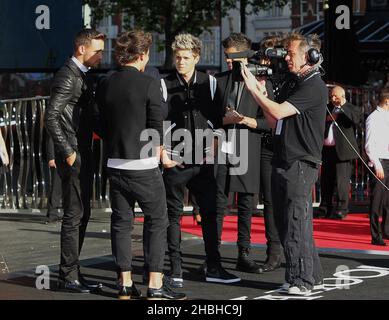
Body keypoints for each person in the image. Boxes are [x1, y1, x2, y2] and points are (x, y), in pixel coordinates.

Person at [96, 30, 186, 300]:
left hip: (114, 163)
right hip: (143, 165)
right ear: (143, 54)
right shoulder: (148, 83)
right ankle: (155, 285)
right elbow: (156, 124)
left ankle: (124, 283)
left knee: (121, 222)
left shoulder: (105, 82)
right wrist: (159, 155)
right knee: (157, 220)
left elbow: (98, 120)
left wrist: (114, 140)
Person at [241, 32, 326, 295]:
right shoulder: (296, 82)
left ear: (309, 57)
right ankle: (313, 275)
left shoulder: (312, 85)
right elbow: (275, 119)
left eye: (291, 54)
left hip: (300, 161)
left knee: (295, 220)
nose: (286, 58)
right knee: (287, 220)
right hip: (285, 156)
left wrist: (255, 92)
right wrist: (261, 91)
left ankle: (301, 280)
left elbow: (277, 111)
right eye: (286, 53)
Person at [161, 33, 241, 287]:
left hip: (204, 160)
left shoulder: (211, 82)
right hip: (175, 162)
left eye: (185, 57)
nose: (180, 62)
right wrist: (164, 152)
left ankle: (214, 266)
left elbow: (218, 118)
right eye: (177, 57)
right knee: (172, 216)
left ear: (196, 57)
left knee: (210, 213)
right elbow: (156, 120)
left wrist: (216, 141)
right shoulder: (164, 84)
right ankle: (175, 269)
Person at [44, 29, 106, 294]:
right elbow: (51, 117)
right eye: (98, 51)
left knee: (83, 213)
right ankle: (68, 277)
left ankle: (72, 272)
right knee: (74, 214)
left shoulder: (82, 75)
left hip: (83, 151)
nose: (102, 55)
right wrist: (68, 151)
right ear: (82, 49)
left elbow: (90, 117)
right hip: (74, 154)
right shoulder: (68, 76)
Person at [213, 32, 264, 274]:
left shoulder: (261, 81)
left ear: (244, 56)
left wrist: (245, 120)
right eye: (226, 57)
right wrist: (224, 120)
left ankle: (244, 253)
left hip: (247, 146)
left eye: (231, 57)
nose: (227, 62)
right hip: (223, 146)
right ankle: (213, 254)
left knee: (246, 204)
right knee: (218, 201)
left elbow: (270, 121)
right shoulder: (219, 81)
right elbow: (211, 117)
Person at [318, 85, 361, 219]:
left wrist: (342, 107)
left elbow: (356, 119)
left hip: (342, 151)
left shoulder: (351, 108)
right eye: (331, 96)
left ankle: (342, 209)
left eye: (335, 96)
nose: (333, 98)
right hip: (327, 150)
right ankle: (325, 208)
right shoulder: (328, 109)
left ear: (342, 96)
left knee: (342, 182)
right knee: (326, 181)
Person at [365, 88, 389, 246]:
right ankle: (376, 235)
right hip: (379, 161)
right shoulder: (373, 118)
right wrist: (377, 165)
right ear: (387, 101)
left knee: (387, 200)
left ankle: (386, 230)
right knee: (377, 201)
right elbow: (368, 145)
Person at [45, 134, 62, 224]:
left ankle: (52, 214)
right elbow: (50, 138)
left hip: (64, 157)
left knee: (58, 187)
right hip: (57, 158)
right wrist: (51, 157)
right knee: (56, 187)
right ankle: (52, 215)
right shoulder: (54, 120)